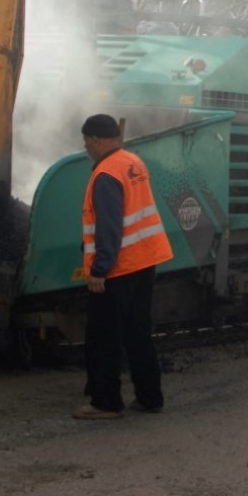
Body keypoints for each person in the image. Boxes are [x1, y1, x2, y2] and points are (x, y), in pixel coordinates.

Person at [74, 113, 174, 419]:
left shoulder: (105, 174)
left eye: (86, 142)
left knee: (103, 337)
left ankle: (106, 402)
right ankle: (149, 397)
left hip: (120, 266)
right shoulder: (133, 162)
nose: (86, 148)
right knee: (137, 333)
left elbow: (109, 227)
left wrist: (99, 270)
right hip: (145, 261)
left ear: (95, 140)